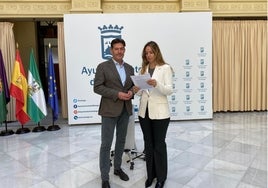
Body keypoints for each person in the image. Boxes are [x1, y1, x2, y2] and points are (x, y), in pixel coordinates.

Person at [94, 38, 135, 188]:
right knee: (106, 144)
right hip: (109, 110)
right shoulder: (103, 67)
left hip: (125, 109)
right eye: (116, 49)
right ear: (111, 50)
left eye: (122, 48)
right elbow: (97, 87)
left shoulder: (130, 68)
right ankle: (105, 177)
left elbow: (133, 87)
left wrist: (131, 92)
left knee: (121, 141)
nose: (119, 51)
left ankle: (117, 168)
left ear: (124, 50)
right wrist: (117, 94)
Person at [133, 41, 173, 188]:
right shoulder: (143, 69)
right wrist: (137, 89)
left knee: (159, 145)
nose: (148, 55)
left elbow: (169, 90)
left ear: (156, 52)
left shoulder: (165, 68)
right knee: (148, 145)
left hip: (161, 113)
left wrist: (157, 84)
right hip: (144, 112)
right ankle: (151, 175)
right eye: (146, 53)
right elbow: (143, 93)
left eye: (151, 52)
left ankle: (161, 178)